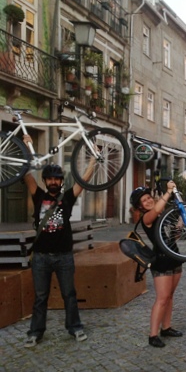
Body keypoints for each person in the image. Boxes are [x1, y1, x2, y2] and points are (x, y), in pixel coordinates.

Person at [22, 136, 94, 348]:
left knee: (69, 295)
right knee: (40, 297)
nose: (53, 182)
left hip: (64, 256)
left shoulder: (67, 198)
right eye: (50, 179)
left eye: (57, 179)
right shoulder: (38, 195)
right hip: (41, 257)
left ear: (61, 181)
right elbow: (25, 174)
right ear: (45, 180)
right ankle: (35, 332)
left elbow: (83, 181)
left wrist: (92, 160)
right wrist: (26, 145)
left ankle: (75, 328)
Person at [130, 181, 184, 348]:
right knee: (162, 298)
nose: (148, 201)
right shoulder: (147, 218)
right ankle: (153, 335)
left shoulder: (162, 215)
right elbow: (156, 210)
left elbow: (171, 236)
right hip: (161, 260)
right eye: (144, 201)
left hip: (174, 256)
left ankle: (166, 327)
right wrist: (168, 192)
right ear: (140, 206)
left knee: (169, 296)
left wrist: (179, 227)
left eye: (148, 198)